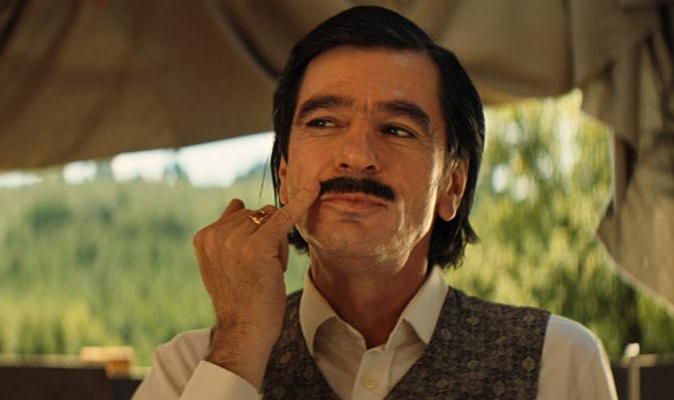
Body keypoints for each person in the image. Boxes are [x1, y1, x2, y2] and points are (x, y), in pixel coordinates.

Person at [134, 6, 617, 400]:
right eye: (323, 123)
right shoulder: (190, 368)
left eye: (397, 130)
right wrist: (239, 346)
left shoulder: (558, 361)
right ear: (283, 174)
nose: (357, 156)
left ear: (453, 185)